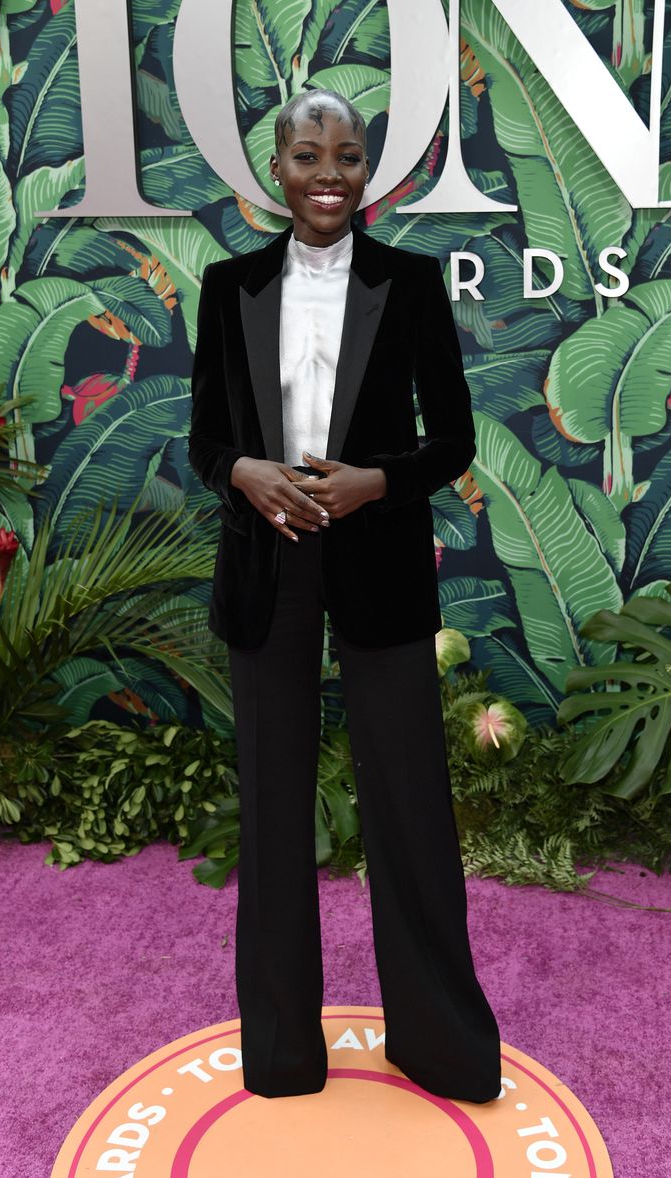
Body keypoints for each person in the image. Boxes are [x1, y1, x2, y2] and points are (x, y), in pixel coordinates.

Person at [188, 88, 502, 1104]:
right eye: (308, 154)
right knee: (274, 808)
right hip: (266, 559)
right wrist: (247, 471)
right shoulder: (227, 286)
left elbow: (450, 435)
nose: (329, 172)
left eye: (348, 155)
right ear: (276, 168)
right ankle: (281, 1050)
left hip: (380, 562)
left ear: (369, 170)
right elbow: (205, 441)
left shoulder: (408, 283)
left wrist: (375, 481)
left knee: (409, 801)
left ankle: (440, 1042)